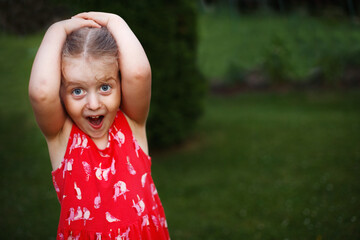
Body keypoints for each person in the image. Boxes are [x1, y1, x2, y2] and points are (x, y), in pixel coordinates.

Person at [29, 12, 170, 239]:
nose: (93, 104)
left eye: (105, 87)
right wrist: (57, 29)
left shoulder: (132, 123)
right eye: (77, 91)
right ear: (61, 95)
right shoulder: (61, 137)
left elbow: (139, 73)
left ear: (120, 84)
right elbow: (41, 93)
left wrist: (114, 21)